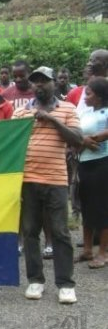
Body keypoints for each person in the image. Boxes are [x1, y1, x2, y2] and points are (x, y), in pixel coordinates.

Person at [13, 67, 82, 304]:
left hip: (55, 180)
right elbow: (9, 143)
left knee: (60, 232)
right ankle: (35, 280)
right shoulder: (21, 111)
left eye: (44, 81)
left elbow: (77, 139)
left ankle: (65, 284)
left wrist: (52, 120)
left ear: (54, 83)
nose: (39, 85)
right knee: (31, 232)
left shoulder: (67, 109)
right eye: (35, 82)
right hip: (27, 180)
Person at [75, 77, 108, 268]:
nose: (85, 97)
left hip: (102, 163)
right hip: (84, 163)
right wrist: (82, 141)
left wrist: (88, 139)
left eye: (89, 93)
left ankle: (103, 252)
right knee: (85, 205)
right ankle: (87, 250)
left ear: (100, 96)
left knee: (102, 207)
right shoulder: (85, 114)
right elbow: (76, 135)